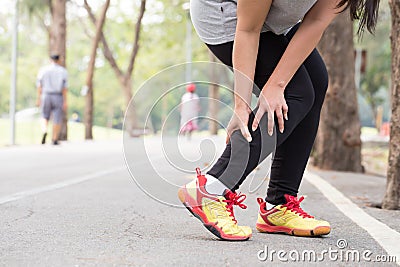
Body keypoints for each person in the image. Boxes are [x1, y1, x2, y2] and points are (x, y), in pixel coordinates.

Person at [178, 0, 380, 241]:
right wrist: (241, 105)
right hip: (226, 16)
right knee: (297, 92)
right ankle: (212, 187)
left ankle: (279, 205)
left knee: (315, 81)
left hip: (273, 22)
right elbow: (247, 29)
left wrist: (278, 84)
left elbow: (315, 21)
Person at [36, 54, 68, 145]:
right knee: (57, 118)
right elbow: (65, 88)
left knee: (44, 116)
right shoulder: (63, 71)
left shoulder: (43, 70)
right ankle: (54, 139)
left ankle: (44, 130)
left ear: (50, 60)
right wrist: (65, 101)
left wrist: (38, 98)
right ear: (58, 60)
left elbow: (39, 85)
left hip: (46, 95)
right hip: (58, 96)